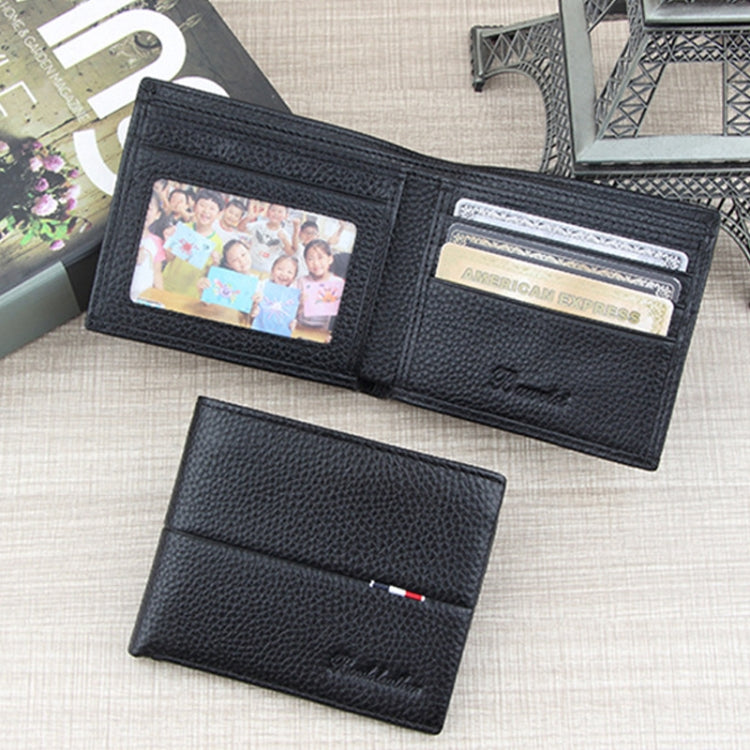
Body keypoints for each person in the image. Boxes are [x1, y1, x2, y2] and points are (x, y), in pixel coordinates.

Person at [161, 189, 224, 299]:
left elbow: (209, 275)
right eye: (202, 205)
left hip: (192, 293)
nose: (206, 211)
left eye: (212, 208)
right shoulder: (183, 229)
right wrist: (168, 241)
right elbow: (169, 258)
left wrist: (215, 263)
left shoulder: (217, 242)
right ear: (194, 207)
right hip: (167, 285)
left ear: (219, 214)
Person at [295, 239, 344, 341]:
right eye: (310, 259)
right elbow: (291, 312)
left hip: (324, 333)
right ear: (305, 262)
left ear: (330, 259)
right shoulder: (301, 281)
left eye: (320, 257)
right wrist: (300, 305)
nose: (316, 263)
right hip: (300, 329)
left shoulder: (338, 283)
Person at [250, 255, 300, 337]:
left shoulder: (294, 296)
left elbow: (294, 315)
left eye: (289, 272)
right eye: (280, 269)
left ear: (294, 278)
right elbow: (251, 302)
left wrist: (294, 322)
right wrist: (254, 305)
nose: (284, 274)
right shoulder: (262, 285)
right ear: (272, 270)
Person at [130, 191, 166, 301]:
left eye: (149, 208)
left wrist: (161, 297)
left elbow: (157, 272)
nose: (144, 211)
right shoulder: (125, 235)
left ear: (157, 215)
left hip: (143, 296)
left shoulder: (157, 242)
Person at [246, 203, 293, 273]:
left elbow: (290, 252)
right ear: (268, 211)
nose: (276, 214)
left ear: (286, 216)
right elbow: (241, 229)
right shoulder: (258, 225)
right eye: (273, 210)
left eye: (280, 212)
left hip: (267, 270)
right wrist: (248, 218)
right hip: (248, 264)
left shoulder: (284, 234)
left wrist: (284, 240)